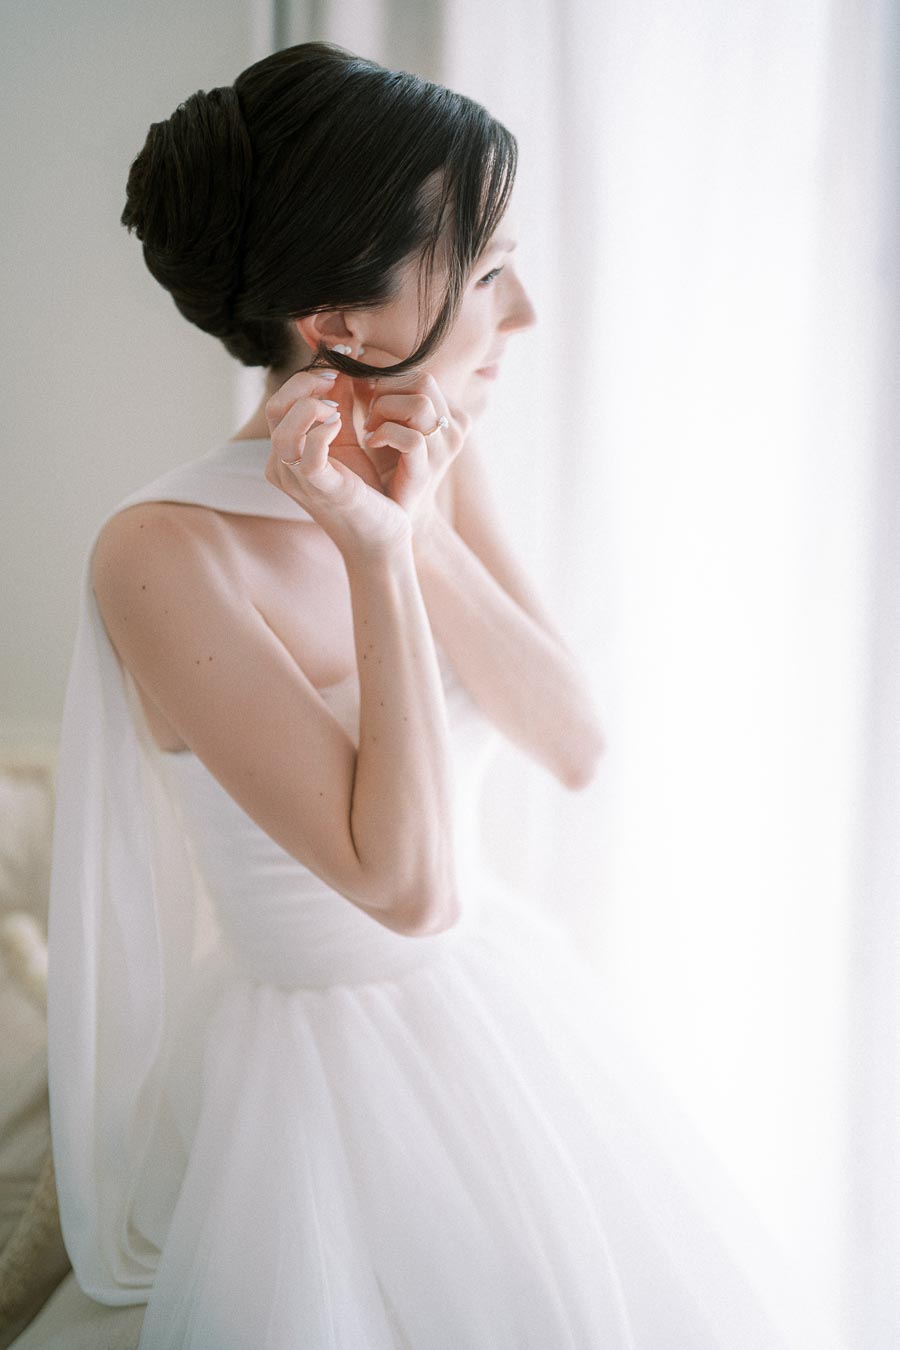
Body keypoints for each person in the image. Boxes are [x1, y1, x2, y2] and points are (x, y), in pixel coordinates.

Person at [46, 41, 843, 1350]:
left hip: (498, 1019)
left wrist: (410, 528)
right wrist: (370, 554)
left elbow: (575, 739)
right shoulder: (161, 551)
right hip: (306, 1091)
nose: (517, 317)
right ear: (343, 326)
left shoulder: (432, 463)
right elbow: (407, 882)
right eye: (485, 273)